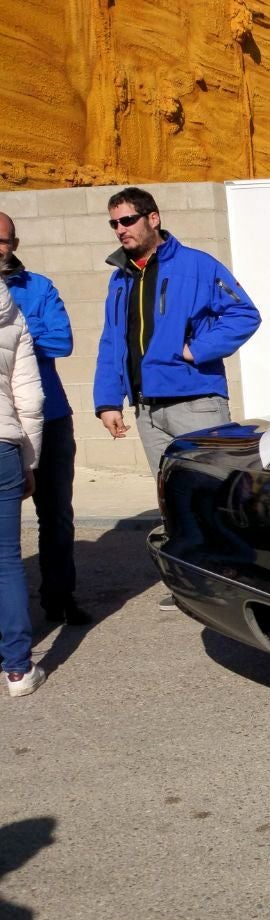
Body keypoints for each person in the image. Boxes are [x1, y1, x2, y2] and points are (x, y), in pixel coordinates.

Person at [92, 187, 261, 611]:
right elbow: (113, 341)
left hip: (195, 401)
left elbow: (245, 313)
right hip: (147, 408)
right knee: (173, 497)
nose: (120, 230)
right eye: (114, 223)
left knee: (214, 493)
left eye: (126, 220)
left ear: (153, 218)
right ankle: (189, 580)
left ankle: (236, 580)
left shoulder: (197, 266)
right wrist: (108, 400)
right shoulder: (120, 277)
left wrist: (195, 350)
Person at [0, 212, 86, 625]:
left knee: (55, 513)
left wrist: (15, 332)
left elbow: (62, 340)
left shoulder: (38, 288)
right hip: (2, 425)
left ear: (15, 244)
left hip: (48, 417)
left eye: (3, 240)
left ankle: (59, 595)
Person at [0, 276, 45, 696]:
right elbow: (29, 396)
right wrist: (29, 459)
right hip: (2, 443)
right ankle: (17, 670)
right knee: (7, 559)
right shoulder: (9, 307)